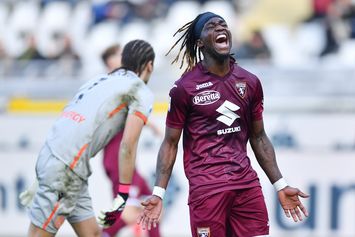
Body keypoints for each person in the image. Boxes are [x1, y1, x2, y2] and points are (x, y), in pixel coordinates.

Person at [138, 12, 310, 237]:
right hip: (207, 191)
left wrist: (280, 184)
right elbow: (170, 142)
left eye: (223, 24)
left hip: (246, 186)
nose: (220, 28)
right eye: (211, 26)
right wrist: (159, 193)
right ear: (200, 43)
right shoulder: (184, 88)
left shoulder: (249, 82)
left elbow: (259, 137)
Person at [21, 39, 155, 237]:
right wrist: (123, 193)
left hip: (61, 163)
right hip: (66, 171)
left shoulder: (95, 81)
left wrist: (44, 171)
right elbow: (128, 145)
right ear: (149, 66)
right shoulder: (139, 90)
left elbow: (67, 120)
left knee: (93, 234)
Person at [101, 44, 161, 237]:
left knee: (151, 204)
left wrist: (150, 125)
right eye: (118, 56)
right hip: (117, 160)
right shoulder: (111, 87)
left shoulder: (123, 90)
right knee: (126, 213)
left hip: (125, 162)